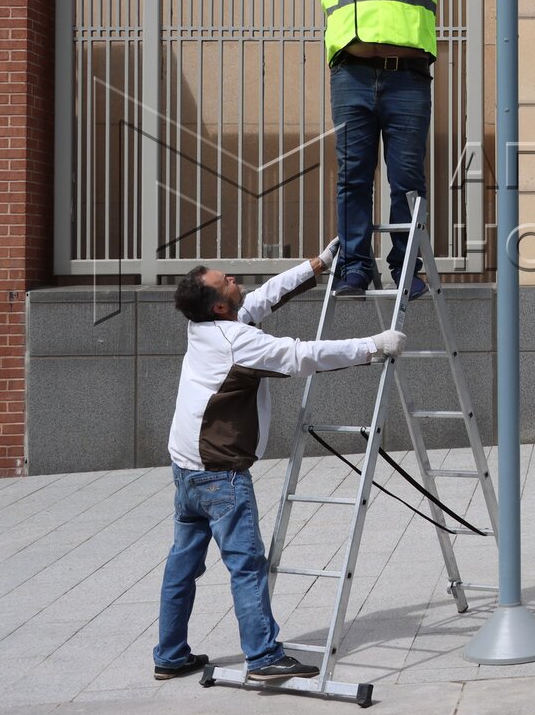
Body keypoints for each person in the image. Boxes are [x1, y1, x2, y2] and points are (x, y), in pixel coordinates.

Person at [152, 240, 407, 682]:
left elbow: (265, 295)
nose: (233, 279)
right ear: (217, 305)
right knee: (247, 565)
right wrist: (374, 345)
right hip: (220, 476)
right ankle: (264, 657)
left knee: (182, 565)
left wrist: (318, 265)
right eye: (224, 280)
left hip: (186, 469)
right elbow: (300, 356)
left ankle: (170, 656)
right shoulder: (238, 341)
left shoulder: (206, 327)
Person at [262, 0, 442, 300]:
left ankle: (405, 266)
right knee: (352, 177)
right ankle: (355, 267)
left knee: (407, 179)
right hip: (352, 78)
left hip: (407, 79)